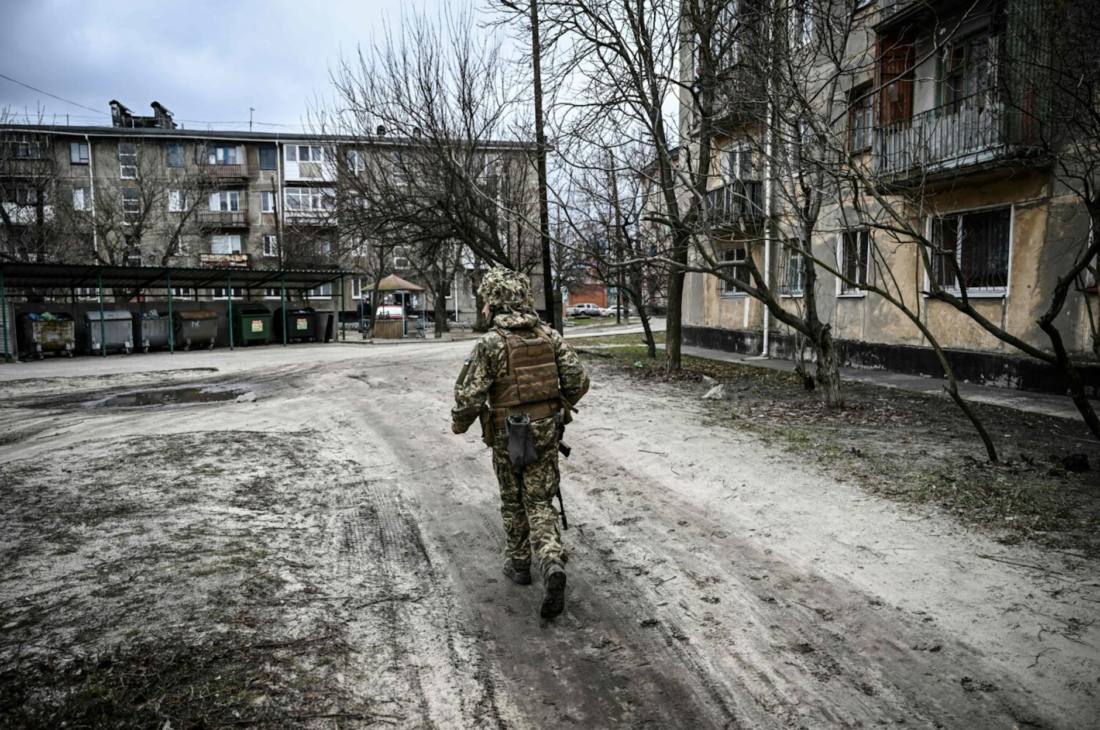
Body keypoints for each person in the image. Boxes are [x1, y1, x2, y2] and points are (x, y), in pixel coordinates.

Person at [451, 268, 590, 619]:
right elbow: (579, 380)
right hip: (545, 428)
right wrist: (555, 406)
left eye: (486, 300)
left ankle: (519, 564)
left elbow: (469, 396)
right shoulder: (549, 335)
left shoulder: (491, 343)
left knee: (513, 500)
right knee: (540, 500)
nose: (483, 307)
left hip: (506, 431)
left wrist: (459, 424)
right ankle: (552, 562)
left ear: (496, 302)